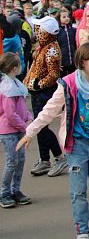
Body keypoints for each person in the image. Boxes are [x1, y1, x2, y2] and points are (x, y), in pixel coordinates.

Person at [18, 42, 89, 239]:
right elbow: (49, 110)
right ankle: (82, 230)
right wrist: (30, 132)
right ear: (82, 62)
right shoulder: (68, 84)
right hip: (76, 145)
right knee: (78, 192)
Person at [22, 16, 67, 177]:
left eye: (39, 29)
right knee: (40, 126)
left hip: (43, 92)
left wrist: (38, 84)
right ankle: (44, 159)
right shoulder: (43, 46)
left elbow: (54, 74)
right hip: (36, 92)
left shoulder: (51, 50)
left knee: (42, 125)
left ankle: (59, 157)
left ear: (45, 32)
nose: (36, 31)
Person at [0, 52, 33, 208]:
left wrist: (29, 117)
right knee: (12, 161)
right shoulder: (7, 88)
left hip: (18, 129)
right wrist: (26, 126)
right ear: (14, 68)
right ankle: (4, 193)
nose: (21, 67)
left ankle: (15, 190)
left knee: (20, 161)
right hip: (8, 131)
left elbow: (22, 109)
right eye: (19, 64)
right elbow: (10, 114)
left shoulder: (14, 85)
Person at [57, 7, 77, 76]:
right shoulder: (57, 31)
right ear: (59, 18)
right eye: (64, 17)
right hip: (62, 61)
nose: (66, 18)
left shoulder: (73, 30)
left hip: (73, 59)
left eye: (68, 16)